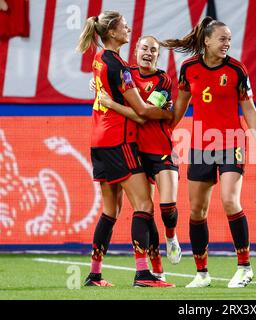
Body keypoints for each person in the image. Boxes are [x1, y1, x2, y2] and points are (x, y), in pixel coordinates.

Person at [161, 16, 256, 288]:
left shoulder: (237, 69)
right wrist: (162, 134)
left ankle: (245, 267)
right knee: (197, 211)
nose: (227, 43)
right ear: (207, 40)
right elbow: (179, 106)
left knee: (229, 201)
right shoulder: (188, 68)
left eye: (229, 39)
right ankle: (202, 273)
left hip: (232, 143)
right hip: (201, 145)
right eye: (222, 39)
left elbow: (249, 108)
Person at [77, 11, 174, 288]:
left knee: (110, 211)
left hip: (98, 142)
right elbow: (142, 113)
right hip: (119, 142)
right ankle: (143, 274)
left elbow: (104, 93)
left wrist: (106, 100)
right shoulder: (119, 66)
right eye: (123, 26)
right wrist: (168, 114)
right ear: (111, 33)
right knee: (144, 205)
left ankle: (95, 274)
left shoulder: (99, 59)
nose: (128, 28)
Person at [98, 36, 182, 280]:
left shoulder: (163, 79)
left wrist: (115, 104)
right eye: (144, 48)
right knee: (146, 211)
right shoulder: (125, 73)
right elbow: (145, 110)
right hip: (136, 151)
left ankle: (171, 236)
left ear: (158, 55)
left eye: (153, 50)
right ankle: (156, 270)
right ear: (135, 50)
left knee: (168, 206)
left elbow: (143, 112)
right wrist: (161, 112)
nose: (148, 53)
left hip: (161, 148)